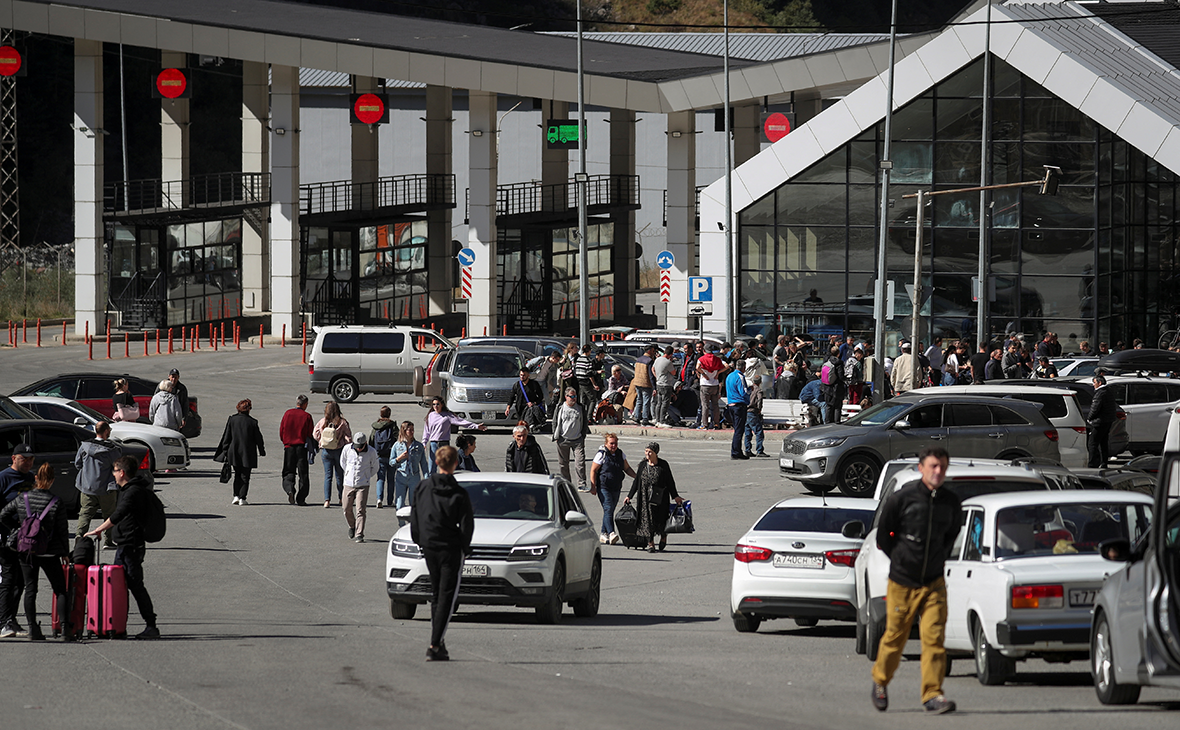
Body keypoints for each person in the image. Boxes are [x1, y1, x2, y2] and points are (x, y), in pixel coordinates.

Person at [871, 446, 961, 715]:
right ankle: (880, 681)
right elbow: (884, 538)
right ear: (921, 468)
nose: (938, 472)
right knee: (895, 637)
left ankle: (933, 694)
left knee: (934, 639)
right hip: (903, 582)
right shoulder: (903, 498)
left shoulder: (950, 502)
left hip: (934, 583)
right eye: (933, 466)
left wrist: (937, 559)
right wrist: (901, 560)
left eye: (943, 467)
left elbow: (951, 536)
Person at [409, 445, 474, 662]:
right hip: (450, 547)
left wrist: (419, 540)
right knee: (447, 595)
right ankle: (435, 644)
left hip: (429, 545)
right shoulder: (459, 493)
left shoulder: (423, 487)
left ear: (436, 462)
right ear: (456, 464)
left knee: (437, 593)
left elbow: (415, 516)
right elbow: (467, 525)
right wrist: (466, 547)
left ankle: (439, 642)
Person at [85, 455, 160, 639]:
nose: (113, 474)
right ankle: (118, 625)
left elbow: (119, 514)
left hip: (131, 546)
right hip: (125, 545)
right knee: (120, 586)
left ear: (122, 472)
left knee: (135, 585)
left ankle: (151, 626)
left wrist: (98, 530)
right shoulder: (129, 489)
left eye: (115, 471)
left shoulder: (133, 492)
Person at [0, 463, 70, 641]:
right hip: (49, 551)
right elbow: (62, 530)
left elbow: (3, 515)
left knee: (30, 589)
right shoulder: (56, 501)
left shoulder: (22, 498)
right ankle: (64, 630)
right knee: (60, 590)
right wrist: (64, 552)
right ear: (52, 480)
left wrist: (18, 529)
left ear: (36, 478)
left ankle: (33, 629)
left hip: (27, 550)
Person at [623, 443, 684, 553]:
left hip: (660, 497)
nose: (648, 454)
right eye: (646, 451)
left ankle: (663, 537)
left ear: (656, 453)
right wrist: (629, 496)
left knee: (661, 519)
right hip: (644, 498)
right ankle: (650, 544)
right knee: (646, 520)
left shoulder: (663, 465)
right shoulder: (642, 465)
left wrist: (675, 496)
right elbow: (636, 482)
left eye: (650, 451)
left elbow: (670, 481)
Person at [0, 445, 34, 638]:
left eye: (31, 459)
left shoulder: (30, 478)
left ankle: (11, 619)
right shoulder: (4, 478)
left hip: (26, 538)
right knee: (8, 578)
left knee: (20, 581)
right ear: (14, 458)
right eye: (24, 458)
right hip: (6, 538)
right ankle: (3, 622)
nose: (28, 462)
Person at [74, 420, 121, 548]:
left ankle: (80, 535)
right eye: (109, 430)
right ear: (106, 431)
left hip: (87, 486)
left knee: (85, 513)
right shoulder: (112, 449)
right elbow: (118, 465)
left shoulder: (85, 446)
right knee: (109, 515)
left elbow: (78, 464)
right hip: (106, 488)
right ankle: (108, 541)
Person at [214, 399, 266, 506]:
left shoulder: (232, 420)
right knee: (245, 476)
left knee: (237, 474)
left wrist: (225, 450)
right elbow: (258, 438)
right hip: (248, 452)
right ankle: (243, 497)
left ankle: (236, 496)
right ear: (249, 409)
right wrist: (262, 450)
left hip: (234, 452)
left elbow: (227, 436)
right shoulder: (253, 422)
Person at [589, 433, 637, 545]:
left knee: (609, 511)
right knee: (608, 507)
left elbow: (627, 468)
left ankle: (603, 533)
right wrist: (593, 486)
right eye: (611, 443)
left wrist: (637, 477)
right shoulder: (601, 454)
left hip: (616, 487)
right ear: (606, 443)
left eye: (615, 443)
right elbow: (593, 470)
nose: (613, 445)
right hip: (603, 487)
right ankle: (611, 533)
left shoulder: (620, 454)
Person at [423, 397, 486, 475]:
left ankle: (445, 482)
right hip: (433, 443)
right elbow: (427, 430)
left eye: (438, 404)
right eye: (434, 404)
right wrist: (424, 442)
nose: (436, 406)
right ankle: (431, 484)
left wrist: (476, 426)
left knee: (446, 465)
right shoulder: (430, 415)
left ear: (442, 404)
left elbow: (461, 422)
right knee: (432, 466)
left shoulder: (448, 415)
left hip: (444, 443)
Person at [341, 432, 379, 543]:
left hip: (363, 485)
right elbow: (343, 462)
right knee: (346, 508)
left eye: (361, 447)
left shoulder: (371, 452)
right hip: (348, 483)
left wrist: (366, 476)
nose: (358, 449)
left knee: (360, 510)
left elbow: (375, 467)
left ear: (365, 443)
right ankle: (352, 526)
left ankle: (359, 534)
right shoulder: (347, 449)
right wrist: (348, 474)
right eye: (357, 447)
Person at [315, 401, 353, 508]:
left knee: (328, 476)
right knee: (339, 475)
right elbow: (349, 437)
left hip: (326, 451)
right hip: (338, 450)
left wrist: (321, 441)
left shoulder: (323, 422)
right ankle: (341, 498)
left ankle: (327, 500)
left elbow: (315, 433)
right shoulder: (342, 422)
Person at [552, 388, 591, 491]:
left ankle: (581, 484)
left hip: (577, 439)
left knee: (580, 462)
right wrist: (556, 435)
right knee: (563, 464)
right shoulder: (560, 407)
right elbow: (555, 421)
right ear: (566, 397)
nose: (574, 399)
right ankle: (567, 484)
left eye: (575, 396)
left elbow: (585, 422)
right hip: (563, 439)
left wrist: (583, 435)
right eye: (571, 396)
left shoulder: (580, 407)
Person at [279, 395, 314, 505]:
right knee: (303, 473)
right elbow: (310, 433)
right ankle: (301, 498)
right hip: (301, 447)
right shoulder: (307, 416)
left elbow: (282, 430)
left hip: (289, 447)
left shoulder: (288, 413)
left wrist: (285, 441)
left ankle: (289, 489)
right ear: (305, 404)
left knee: (289, 471)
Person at [391, 421, 429, 512]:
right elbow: (391, 462)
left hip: (414, 477)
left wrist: (427, 478)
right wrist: (399, 458)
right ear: (404, 431)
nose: (412, 432)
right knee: (399, 504)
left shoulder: (418, 446)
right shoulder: (397, 445)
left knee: (414, 504)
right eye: (409, 430)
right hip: (401, 477)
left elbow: (423, 464)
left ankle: (413, 525)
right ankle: (401, 525)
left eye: (413, 430)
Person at [370, 406, 397, 508]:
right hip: (391, 455)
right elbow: (397, 438)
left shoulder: (376, 426)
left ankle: (379, 499)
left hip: (379, 455)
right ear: (389, 414)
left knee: (380, 478)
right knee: (391, 479)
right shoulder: (392, 425)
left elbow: (371, 440)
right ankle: (390, 501)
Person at [1088, 375, 1117, 468]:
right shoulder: (1108, 392)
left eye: (1094, 382)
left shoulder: (1100, 393)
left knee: (1093, 443)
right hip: (1108, 420)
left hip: (1099, 421)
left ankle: (1092, 463)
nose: (1093, 385)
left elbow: (1095, 408)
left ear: (1099, 383)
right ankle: (1104, 462)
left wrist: (1089, 418)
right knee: (1104, 443)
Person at [505, 367, 546, 432]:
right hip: (520, 409)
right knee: (521, 426)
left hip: (530, 408)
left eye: (524, 375)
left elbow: (540, 396)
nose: (522, 377)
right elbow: (512, 396)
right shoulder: (517, 385)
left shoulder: (534, 384)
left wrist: (534, 403)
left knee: (527, 425)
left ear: (528, 375)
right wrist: (508, 407)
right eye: (521, 375)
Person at [743, 360, 768, 458]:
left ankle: (747, 449)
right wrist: (759, 409)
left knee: (747, 433)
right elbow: (760, 400)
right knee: (759, 432)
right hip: (753, 412)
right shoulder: (758, 390)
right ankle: (759, 450)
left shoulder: (749, 389)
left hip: (746, 412)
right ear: (760, 382)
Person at [726, 358, 749, 460]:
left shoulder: (729, 376)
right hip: (739, 405)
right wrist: (749, 395)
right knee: (739, 430)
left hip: (731, 404)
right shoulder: (740, 376)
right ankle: (735, 452)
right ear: (743, 368)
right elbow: (743, 391)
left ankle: (737, 450)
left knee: (737, 429)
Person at [696, 344, 724, 430]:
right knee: (715, 405)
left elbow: (697, 367)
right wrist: (718, 373)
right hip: (715, 384)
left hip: (705, 384)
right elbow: (727, 366)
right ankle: (716, 424)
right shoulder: (717, 359)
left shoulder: (701, 359)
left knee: (705, 405)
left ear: (704, 350)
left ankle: (704, 424)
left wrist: (703, 374)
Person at [820, 346, 847, 424]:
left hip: (826, 387)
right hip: (836, 388)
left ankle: (827, 422)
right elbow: (841, 376)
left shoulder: (826, 361)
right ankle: (836, 423)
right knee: (837, 407)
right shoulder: (839, 363)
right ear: (838, 354)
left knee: (829, 406)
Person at [632, 344, 656, 426]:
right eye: (653, 351)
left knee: (639, 400)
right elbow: (651, 375)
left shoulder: (639, 359)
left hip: (637, 382)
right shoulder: (649, 360)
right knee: (646, 401)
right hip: (646, 383)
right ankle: (645, 418)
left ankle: (637, 417)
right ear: (649, 351)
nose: (654, 352)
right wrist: (654, 386)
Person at [653, 345, 676, 427]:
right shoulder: (668, 362)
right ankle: (662, 421)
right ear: (670, 354)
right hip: (666, 384)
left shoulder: (657, 360)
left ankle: (657, 419)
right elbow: (674, 373)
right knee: (665, 403)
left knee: (659, 402)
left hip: (658, 383)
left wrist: (657, 376)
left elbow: (653, 369)